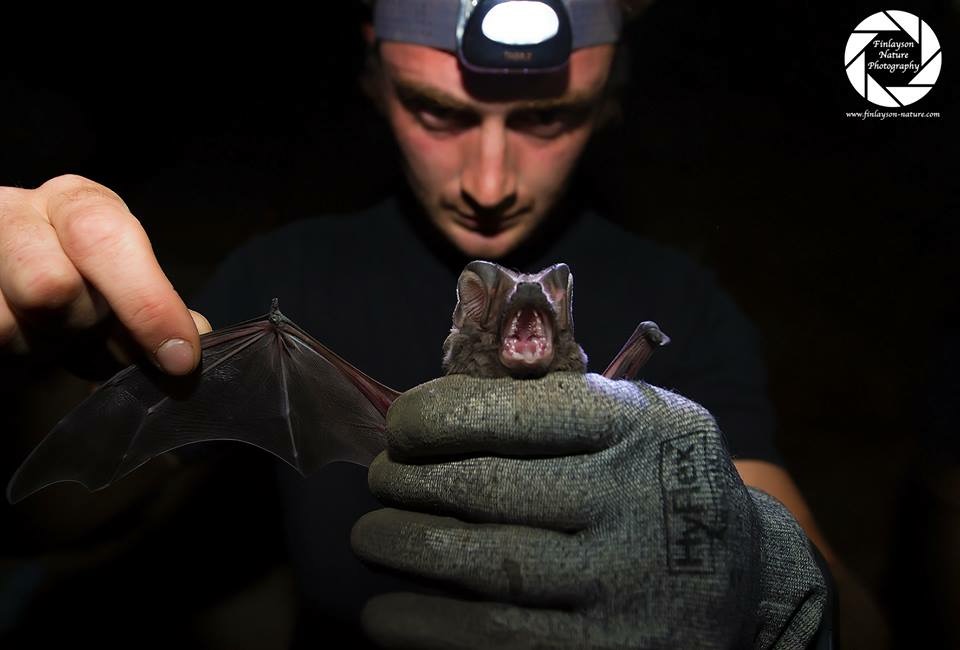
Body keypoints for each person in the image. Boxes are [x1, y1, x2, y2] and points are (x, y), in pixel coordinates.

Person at [0, 1, 882, 647]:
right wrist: (42, 360)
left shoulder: (682, 303)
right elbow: (53, 529)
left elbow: (866, 625)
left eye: (546, 117)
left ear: (611, 97)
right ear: (376, 76)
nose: (488, 182)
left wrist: (763, 585)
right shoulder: (285, 281)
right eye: (439, 112)